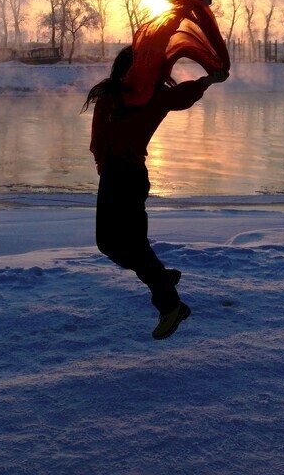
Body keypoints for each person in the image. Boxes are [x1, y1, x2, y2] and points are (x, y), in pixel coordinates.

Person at [83, 46, 228, 339]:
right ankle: (160, 277)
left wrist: (208, 80)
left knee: (128, 245)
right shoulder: (117, 95)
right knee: (114, 244)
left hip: (126, 177)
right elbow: (99, 140)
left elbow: (183, 95)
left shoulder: (150, 95)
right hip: (120, 176)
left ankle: (170, 305)